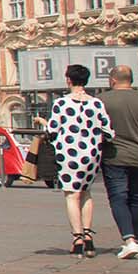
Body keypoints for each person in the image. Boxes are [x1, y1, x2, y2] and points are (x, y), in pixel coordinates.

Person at [48, 63, 112, 257]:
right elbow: (108, 131)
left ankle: (77, 238)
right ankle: (88, 236)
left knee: (71, 195)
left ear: (68, 79)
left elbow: (52, 129)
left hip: (68, 154)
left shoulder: (61, 103)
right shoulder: (96, 103)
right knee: (86, 193)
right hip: (91, 154)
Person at [99, 64, 138, 259]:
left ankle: (128, 241)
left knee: (118, 197)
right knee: (137, 198)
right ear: (132, 80)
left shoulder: (102, 101)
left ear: (112, 80)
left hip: (114, 156)